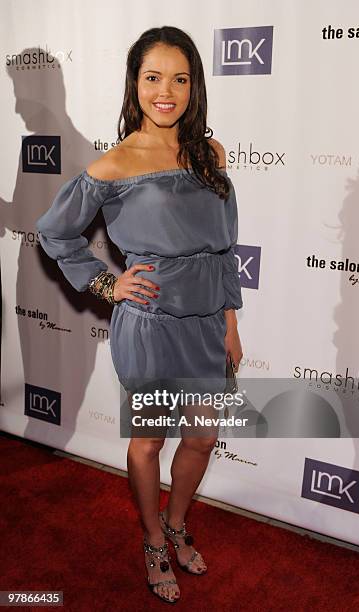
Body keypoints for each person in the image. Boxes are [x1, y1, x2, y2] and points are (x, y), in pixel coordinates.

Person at [36, 25, 243, 604]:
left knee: (202, 438)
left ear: (194, 85)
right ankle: (153, 539)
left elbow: (225, 247)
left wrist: (230, 321)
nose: (166, 91)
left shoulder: (211, 154)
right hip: (151, 326)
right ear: (136, 84)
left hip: (207, 321)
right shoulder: (116, 162)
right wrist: (107, 282)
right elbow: (54, 233)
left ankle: (178, 523)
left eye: (179, 78)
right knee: (149, 442)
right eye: (153, 78)